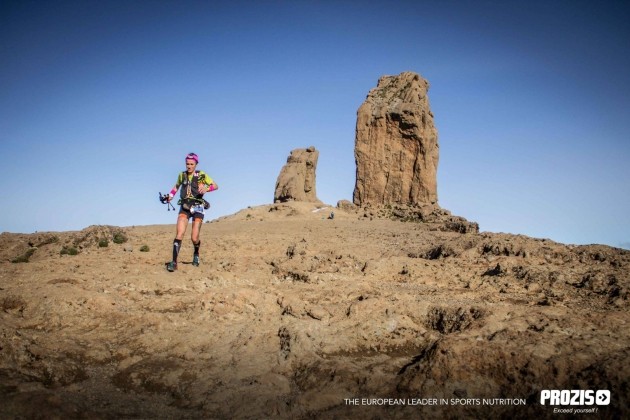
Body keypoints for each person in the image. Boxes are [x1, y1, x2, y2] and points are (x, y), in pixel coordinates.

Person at [164, 152, 218, 272]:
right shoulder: (182, 175)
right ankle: (174, 262)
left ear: (196, 164)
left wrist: (206, 188)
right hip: (184, 206)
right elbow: (176, 187)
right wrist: (170, 196)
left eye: (191, 164)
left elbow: (215, 185)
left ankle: (196, 253)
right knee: (180, 233)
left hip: (198, 206)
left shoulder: (201, 175)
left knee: (194, 237)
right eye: (187, 163)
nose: (189, 166)